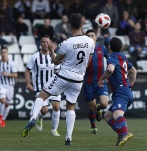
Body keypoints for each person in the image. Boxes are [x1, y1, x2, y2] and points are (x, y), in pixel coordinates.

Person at [21, 13, 95, 146]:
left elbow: (55, 62)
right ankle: (68, 137)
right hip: (78, 79)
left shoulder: (66, 43)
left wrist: (51, 50)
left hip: (63, 76)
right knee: (70, 107)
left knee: (42, 95)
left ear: (70, 25)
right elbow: (88, 61)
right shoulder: (91, 41)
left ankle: (33, 118)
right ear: (82, 25)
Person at [98, 37, 137, 146]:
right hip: (125, 91)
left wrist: (101, 79)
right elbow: (134, 70)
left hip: (121, 91)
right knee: (107, 116)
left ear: (110, 47)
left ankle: (124, 132)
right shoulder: (123, 57)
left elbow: (110, 69)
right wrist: (131, 84)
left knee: (117, 113)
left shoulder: (112, 58)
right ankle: (121, 135)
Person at [25, 34, 61, 136]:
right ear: (40, 44)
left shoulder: (54, 56)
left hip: (53, 85)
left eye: (47, 42)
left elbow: (58, 70)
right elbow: (27, 70)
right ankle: (39, 118)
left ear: (50, 43)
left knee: (56, 107)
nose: (45, 44)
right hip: (40, 87)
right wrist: (28, 83)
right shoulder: (35, 57)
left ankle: (54, 130)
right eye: (43, 42)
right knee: (44, 110)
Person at [83, 29, 108, 134]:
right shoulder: (84, 51)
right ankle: (93, 126)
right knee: (91, 106)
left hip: (100, 81)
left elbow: (110, 59)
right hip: (88, 82)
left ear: (96, 37)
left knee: (104, 104)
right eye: (88, 36)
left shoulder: (102, 48)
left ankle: (99, 108)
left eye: (92, 35)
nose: (90, 37)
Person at [0, 46, 18, 127]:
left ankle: (3, 119)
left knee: (7, 104)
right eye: (2, 52)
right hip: (1, 85)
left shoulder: (11, 63)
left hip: (10, 86)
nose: (4, 54)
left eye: (5, 52)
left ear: (7, 53)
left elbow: (16, 74)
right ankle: (0, 117)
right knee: (2, 101)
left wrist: (7, 74)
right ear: (0, 53)